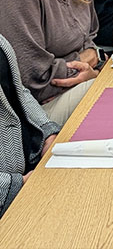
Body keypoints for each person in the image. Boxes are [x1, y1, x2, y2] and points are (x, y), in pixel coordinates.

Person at [0, 34, 60, 218]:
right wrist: (18, 183)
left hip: (28, 163)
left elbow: (19, 90)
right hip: (12, 193)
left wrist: (47, 132)